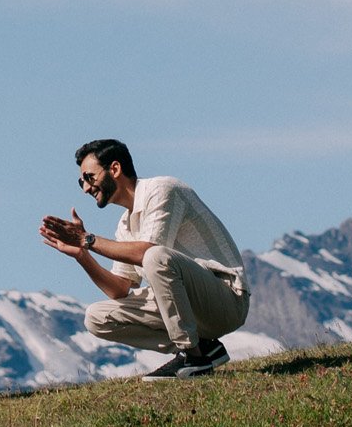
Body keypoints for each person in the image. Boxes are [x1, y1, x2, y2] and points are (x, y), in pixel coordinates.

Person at [40, 137, 249, 377]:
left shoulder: (162, 189)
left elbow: (148, 252)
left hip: (226, 301)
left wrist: (87, 239)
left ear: (115, 169)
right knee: (96, 317)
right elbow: (120, 289)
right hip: (192, 310)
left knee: (155, 257)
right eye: (81, 182)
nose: (86, 188)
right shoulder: (125, 225)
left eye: (90, 177)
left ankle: (192, 357)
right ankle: (203, 350)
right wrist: (82, 255)